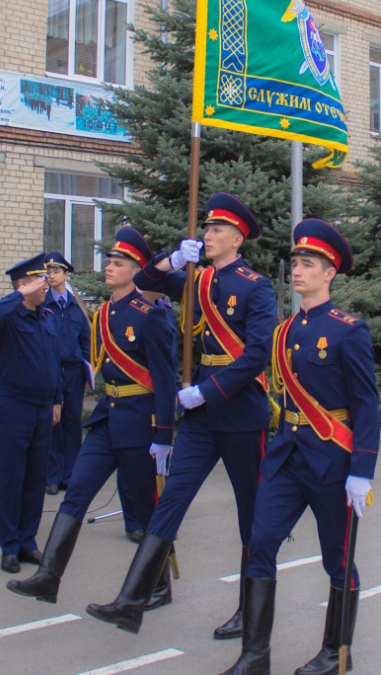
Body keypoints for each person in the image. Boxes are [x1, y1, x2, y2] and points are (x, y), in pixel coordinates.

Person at [87, 193, 274, 638]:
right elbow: (146, 280)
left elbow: (256, 355)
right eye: (206, 229)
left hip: (239, 412)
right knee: (170, 500)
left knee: (251, 513)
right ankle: (133, 599)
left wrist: (204, 392)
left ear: (236, 238)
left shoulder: (255, 286)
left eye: (216, 231)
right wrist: (171, 260)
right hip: (201, 415)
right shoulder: (197, 278)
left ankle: (249, 611)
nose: (207, 236)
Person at [219, 219, 379, 675]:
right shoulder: (284, 330)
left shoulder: (350, 329)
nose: (297, 270)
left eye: (307, 264)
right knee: (260, 541)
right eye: (295, 262)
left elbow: (366, 404)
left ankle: (335, 653)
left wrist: (362, 470)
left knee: (338, 558)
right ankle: (254, 657)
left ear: (329, 273)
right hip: (286, 455)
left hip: (333, 460)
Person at [7, 228, 175, 607]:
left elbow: (164, 380)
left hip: (139, 424)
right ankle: (48, 577)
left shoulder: (152, 317)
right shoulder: (105, 313)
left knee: (147, 511)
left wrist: (164, 434)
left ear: (138, 271)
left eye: (119, 263)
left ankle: (160, 587)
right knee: (76, 493)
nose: (110, 267)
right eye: (110, 261)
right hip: (107, 420)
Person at [0, 255, 62, 573]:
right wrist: (19, 295)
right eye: (39, 281)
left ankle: (28, 542)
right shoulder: (8, 318)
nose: (46, 285)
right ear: (23, 285)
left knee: (35, 478)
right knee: (12, 477)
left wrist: (56, 400)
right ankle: (10, 546)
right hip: (14, 406)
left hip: (44, 408)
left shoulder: (47, 317)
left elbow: (53, 361)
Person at [43, 252, 91, 494]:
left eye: (56, 271)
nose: (51, 275)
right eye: (48, 271)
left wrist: (88, 370)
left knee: (72, 421)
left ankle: (70, 474)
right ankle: (52, 475)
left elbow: (86, 340)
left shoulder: (76, 304)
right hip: (51, 371)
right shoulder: (43, 304)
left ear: (66, 275)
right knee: (54, 422)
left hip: (73, 371)